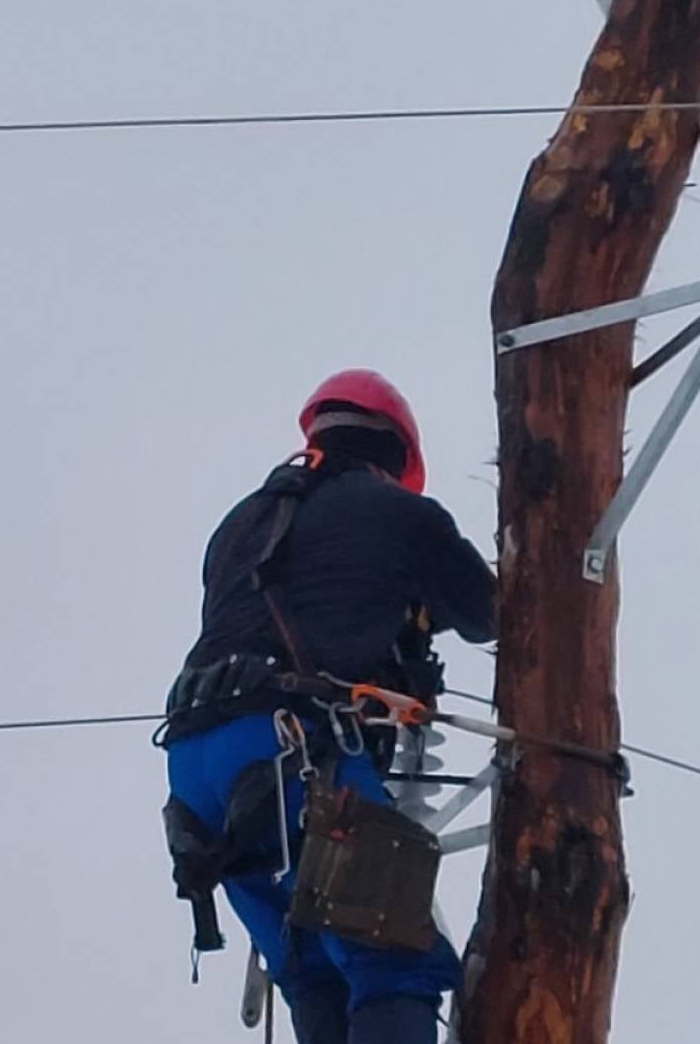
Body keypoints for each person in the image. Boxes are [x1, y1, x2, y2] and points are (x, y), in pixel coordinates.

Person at [159, 369, 495, 1044]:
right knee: (394, 956)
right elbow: (488, 613)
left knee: (314, 971)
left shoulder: (241, 524)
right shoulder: (398, 511)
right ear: (395, 455)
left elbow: (301, 601)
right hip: (293, 749)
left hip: (196, 771)